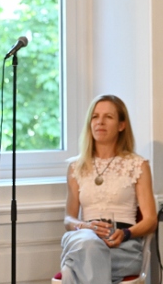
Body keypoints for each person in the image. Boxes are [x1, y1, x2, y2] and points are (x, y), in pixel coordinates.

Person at [60, 94, 157, 283]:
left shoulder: (138, 165)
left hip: (122, 245)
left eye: (108, 117)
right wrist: (85, 226)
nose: (100, 122)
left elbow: (151, 220)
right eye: (95, 117)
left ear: (121, 125)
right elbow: (68, 219)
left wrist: (126, 233)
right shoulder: (75, 167)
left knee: (71, 270)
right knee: (88, 244)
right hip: (83, 237)